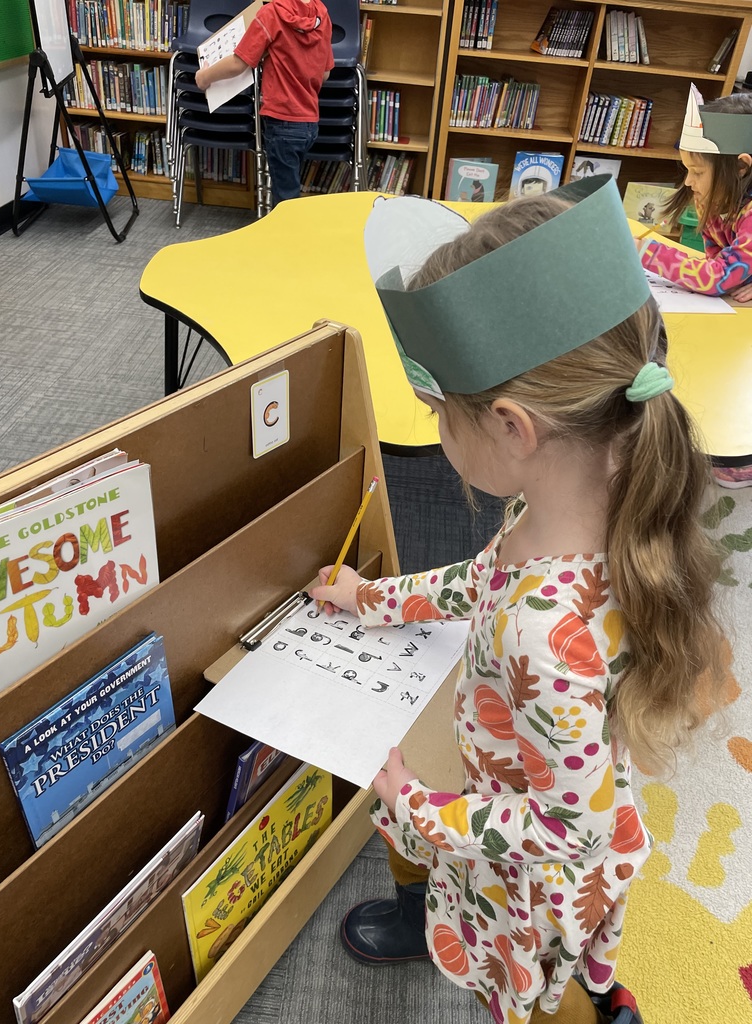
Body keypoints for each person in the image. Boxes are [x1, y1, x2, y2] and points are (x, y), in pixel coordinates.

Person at [310, 178, 724, 1024]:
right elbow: (480, 580)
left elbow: (567, 832)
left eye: (439, 415)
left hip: (531, 874)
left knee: (540, 992)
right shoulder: (595, 504)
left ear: (511, 428)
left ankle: (591, 1008)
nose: (434, 434)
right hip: (527, 766)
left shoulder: (544, 635)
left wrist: (420, 809)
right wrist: (373, 599)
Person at [637, 86, 752, 488]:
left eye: (697, 172)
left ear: (741, 167)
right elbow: (715, 258)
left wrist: (647, 252)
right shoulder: (725, 198)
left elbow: (717, 276)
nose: (688, 181)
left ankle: (744, 448)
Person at [194, 0, 334, 207]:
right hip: (309, 124)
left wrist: (205, 77)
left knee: (285, 202)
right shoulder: (322, 16)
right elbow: (325, 74)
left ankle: (286, 238)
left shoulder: (271, 14)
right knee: (290, 187)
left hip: (282, 122)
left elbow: (237, 63)